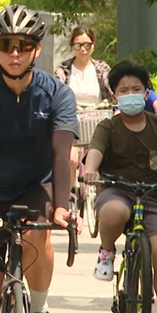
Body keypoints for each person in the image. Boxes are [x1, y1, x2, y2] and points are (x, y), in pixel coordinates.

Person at [0, 5, 79, 313]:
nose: (14, 54)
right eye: (6, 45)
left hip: (34, 188)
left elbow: (60, 152)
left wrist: (62, 206)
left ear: (36, 49)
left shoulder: (58, 94)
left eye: (23, 46)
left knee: (39, 230)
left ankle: (37, 309)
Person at [83, 59, 157, 313]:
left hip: (156, 198)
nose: (130, 94)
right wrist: (91, 170)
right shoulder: (109, 127)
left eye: (136, 89)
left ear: (146, 93)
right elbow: (95, 151)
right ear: (114, 95)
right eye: (123, 90)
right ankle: (106, 251)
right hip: (118, 191)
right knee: (113, 211)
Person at [54, 26, 113, 195]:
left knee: (106, 157)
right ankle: (68, 196)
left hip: (98, 122)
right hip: (72, 122)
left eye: (87, 45)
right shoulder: (63, 69)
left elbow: (113, 91)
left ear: (93, 46)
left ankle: (104, 196)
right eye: (78, 45)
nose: (83, 50)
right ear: (72, 47)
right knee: (71, 158)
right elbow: (57, 93)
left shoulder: (102, 69)